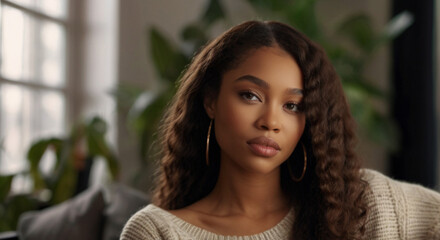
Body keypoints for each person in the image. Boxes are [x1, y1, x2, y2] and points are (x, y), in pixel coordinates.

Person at [121, 20, 440, 240]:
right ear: (210, 101)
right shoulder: (157, 232)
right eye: (251, 96)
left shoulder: (361, 206)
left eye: (293, 106)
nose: (270, 121)